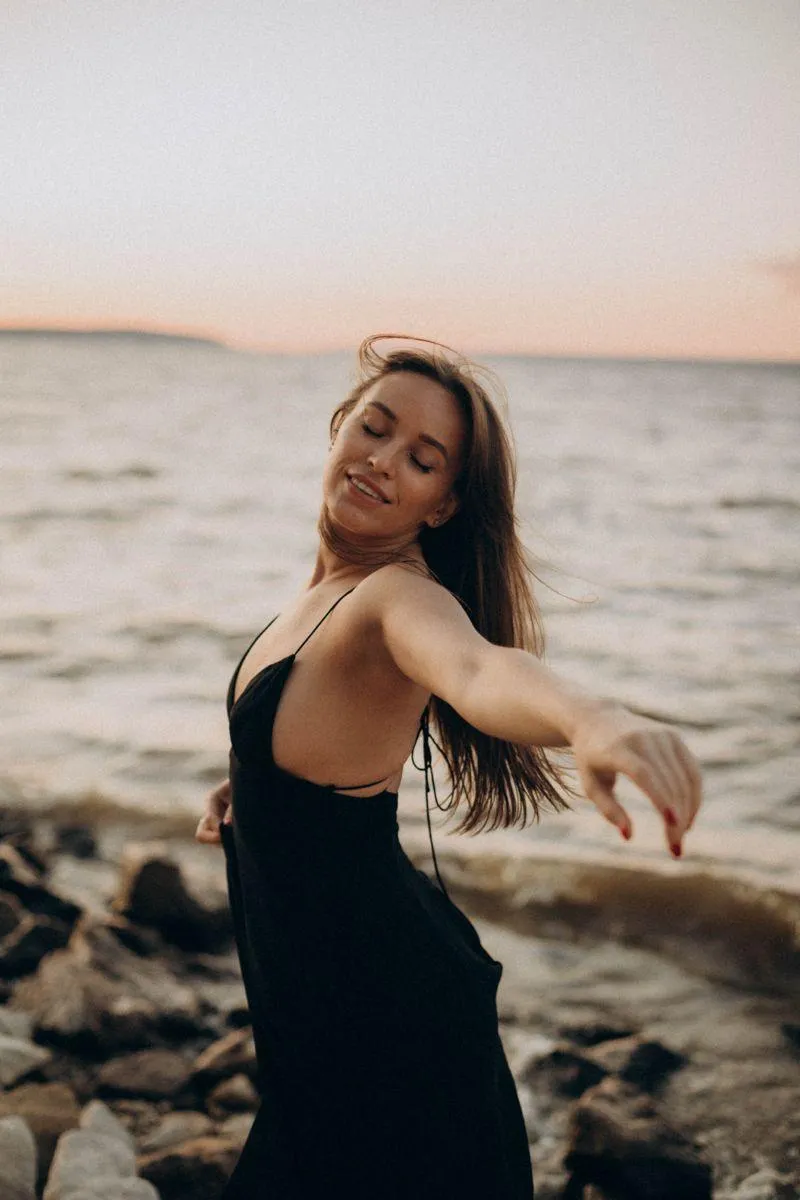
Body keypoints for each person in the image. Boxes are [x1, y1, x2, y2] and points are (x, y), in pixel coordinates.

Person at [195, 334, 702, 1199]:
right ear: (338, 429)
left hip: (388, 1028)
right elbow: (318, 741)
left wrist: (592, 717)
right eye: (374, 428)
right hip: (321, 1026)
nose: (383, 461)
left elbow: (476, 669)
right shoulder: (324, 593)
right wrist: (255, 784)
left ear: (441, 503)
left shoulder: (398, 597)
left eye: (422, 459)